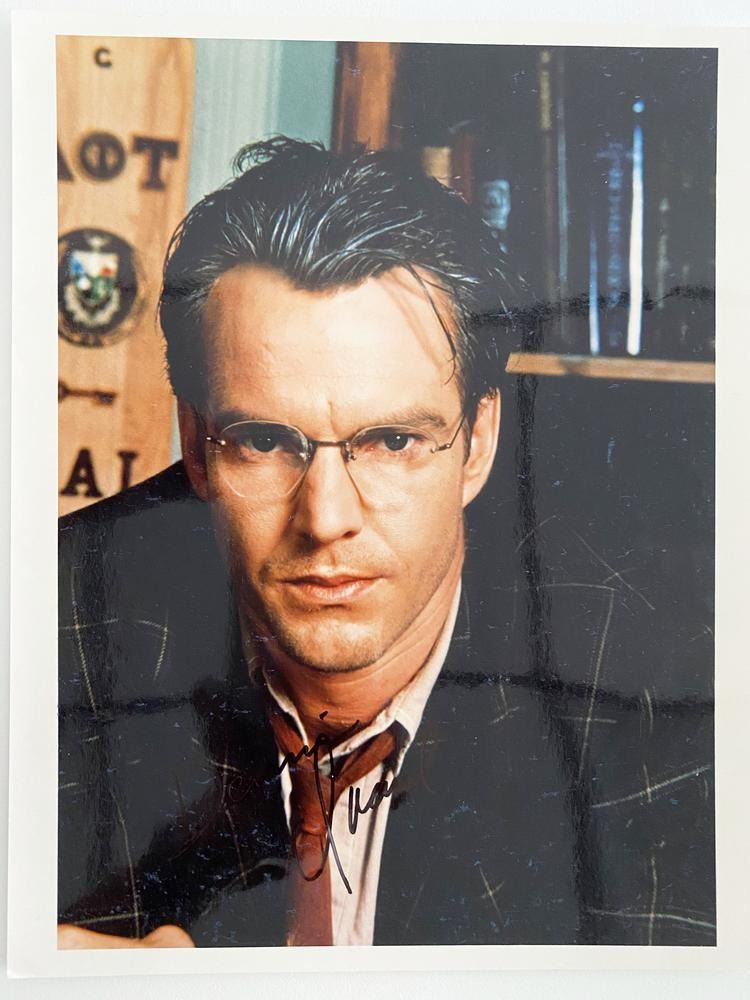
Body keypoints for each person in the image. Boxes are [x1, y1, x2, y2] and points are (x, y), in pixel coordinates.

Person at [58, 137, 714, 949]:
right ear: (195, 444)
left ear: (477, 442)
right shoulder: (52, 626)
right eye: (264, 440)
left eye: (393, 441)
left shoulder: (666, 720)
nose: (326, 517)